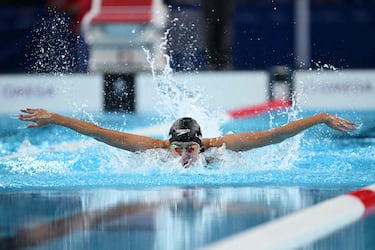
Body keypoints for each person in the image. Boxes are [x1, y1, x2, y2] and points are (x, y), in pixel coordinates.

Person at [18, 108, 356, 168]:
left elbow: (274, 136)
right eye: (178, 148)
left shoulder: (219, 148)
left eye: (189, 147)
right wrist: (55, 119)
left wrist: (321, 118)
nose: (183, 156)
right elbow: (99, 133)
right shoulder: (157, 150)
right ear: (168, 144)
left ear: (201, 143)